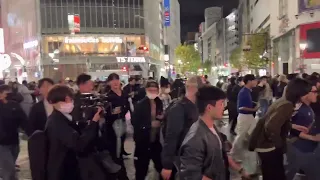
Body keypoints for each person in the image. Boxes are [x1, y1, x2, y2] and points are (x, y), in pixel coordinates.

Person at [249, 78, 311, 180]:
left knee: (271, 174)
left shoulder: (283, 101)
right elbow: (271, 126)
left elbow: (276, 121)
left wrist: (292, 126)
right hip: (268, 146)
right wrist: (279, 144)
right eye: (306, 92)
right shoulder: (287, 105)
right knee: (275, 175)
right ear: (299, 93)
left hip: (263, 143)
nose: (308, 95)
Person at [45, 85, 104, 180]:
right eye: (68, 99)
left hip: (69, 169)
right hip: (63, 172)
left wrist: (88, 123)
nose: (71, 102)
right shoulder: (56, 122)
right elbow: (79, 144)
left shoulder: (62, 117)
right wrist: (93, 123)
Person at [179, 86, 226, 180]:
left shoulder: (211, 127)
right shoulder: (195, 138)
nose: (224, 107)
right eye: (221, 104)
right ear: (209, 107)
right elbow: (192, 175)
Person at [161, 76, 203, 180]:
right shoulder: (178, 108)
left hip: (192, 157)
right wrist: (167, 165)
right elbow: (171, 137)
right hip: (181, 158)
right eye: (201, 89)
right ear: (193, 89)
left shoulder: (195, 106)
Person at [286, 82, 319, 180]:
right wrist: (313, 138)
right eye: (314, 92)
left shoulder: (308, 107)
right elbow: (291, 128)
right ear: (305, 94)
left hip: (307, 149)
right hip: (298, 149)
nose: (316, 94)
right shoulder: (298, 109)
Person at [132, 80, 164, 180]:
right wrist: (150, 125)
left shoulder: (159, 102)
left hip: (155, 141)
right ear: (146, 90)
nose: (153, 92)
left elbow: (159, 116)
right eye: (150, 90)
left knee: (161, 167)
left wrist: (161, 118)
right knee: (141, 170)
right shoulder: (140, 105)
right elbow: (135, 123)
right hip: (143, 142)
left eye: (155, 90)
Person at [101, 73, 129, 180]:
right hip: (111, 127)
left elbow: (126, 108)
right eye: (112, 80)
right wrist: (112, 113)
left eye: (116, 79)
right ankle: (120, 175)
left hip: (121, 125)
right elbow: (106, 114)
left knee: (120, 150)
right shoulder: (108, 96)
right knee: (114, 152)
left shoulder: (124, 93)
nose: (115, 82)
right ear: (109, 83)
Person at [230, 74, 258, 175]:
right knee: (240, 137)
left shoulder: (248, 91)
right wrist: (254, 109)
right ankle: (233, 155)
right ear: (249, 81)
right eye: (254, 80)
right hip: (244, 117)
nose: (256, 82)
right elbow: (240, 108)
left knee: (253, 134)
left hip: (249, 117)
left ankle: (251, 155)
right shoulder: (243, 92)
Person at [0, 85, 28, 180]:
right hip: (1, 143)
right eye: (6, 93)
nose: (9, 95)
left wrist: (29, 131)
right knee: (10, 169)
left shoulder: (14, 105)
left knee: (10, 165)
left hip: (14, 140)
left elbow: (23, 120)